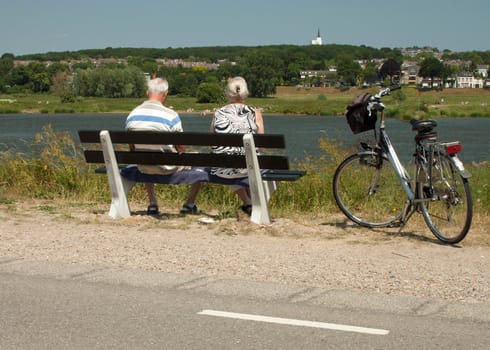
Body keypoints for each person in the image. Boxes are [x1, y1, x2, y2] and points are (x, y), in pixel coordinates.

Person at [125, 77, 201, 215]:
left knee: (146, 155)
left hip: (144, 167)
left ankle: (153, 203)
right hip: (168, 167)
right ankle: (189, 204)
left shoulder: (132, 115)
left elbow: (132, 149)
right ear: (165, 94)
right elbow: (181, 148)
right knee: (198, 159)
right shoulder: (171, 115)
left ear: (147, 92)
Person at [209, 76, 265, 215]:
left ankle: (248, 202)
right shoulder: (254, 113)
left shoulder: (218, 113)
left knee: (228, 160)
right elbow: (262, 146)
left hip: (223, 169)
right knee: (247, 160)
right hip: (249, 168)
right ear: (245, 92)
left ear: (228, 93)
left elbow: (213, 142)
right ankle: (251, 203)